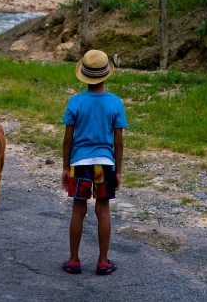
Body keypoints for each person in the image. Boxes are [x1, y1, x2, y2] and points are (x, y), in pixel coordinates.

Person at [61, 49, 127, 276]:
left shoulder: (75, 101)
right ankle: (102, 261)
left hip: (79, 163)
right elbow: (118, 142)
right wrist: (118, 171)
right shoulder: (115, 103)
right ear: (106, 74)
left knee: (78, 210)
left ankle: (73, 260)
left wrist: (64, 167)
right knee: (103, 209)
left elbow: (68, 139)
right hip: (105, 164)